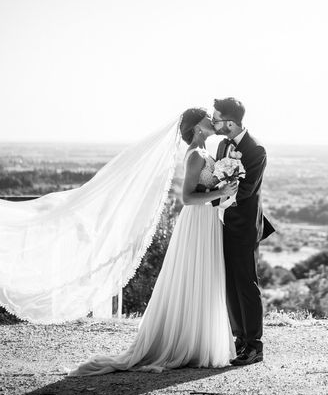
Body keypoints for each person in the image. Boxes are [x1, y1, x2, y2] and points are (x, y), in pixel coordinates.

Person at [68, 108, 239, 375]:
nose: (212, 120)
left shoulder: (207, 152)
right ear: (196, 127)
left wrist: (225, 192)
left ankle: (199, 342)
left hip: (208, 221)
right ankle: (187, 344)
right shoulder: (195, 155)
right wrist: (221, 191)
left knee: (205, 278)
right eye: (207, 117)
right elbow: (187, 198)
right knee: (194, 276)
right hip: (197, 221)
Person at [211, 98, 274, 366]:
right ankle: (239, 339)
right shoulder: (223, 144)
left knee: (246, 284)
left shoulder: (256, 150)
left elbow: (246, 190)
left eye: (216, 120)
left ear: (230, 123)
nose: (213, 123)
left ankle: (254, 346)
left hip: (245, 226)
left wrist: (220, 197)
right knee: (229, 284)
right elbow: (216, 178)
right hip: (223, 223)